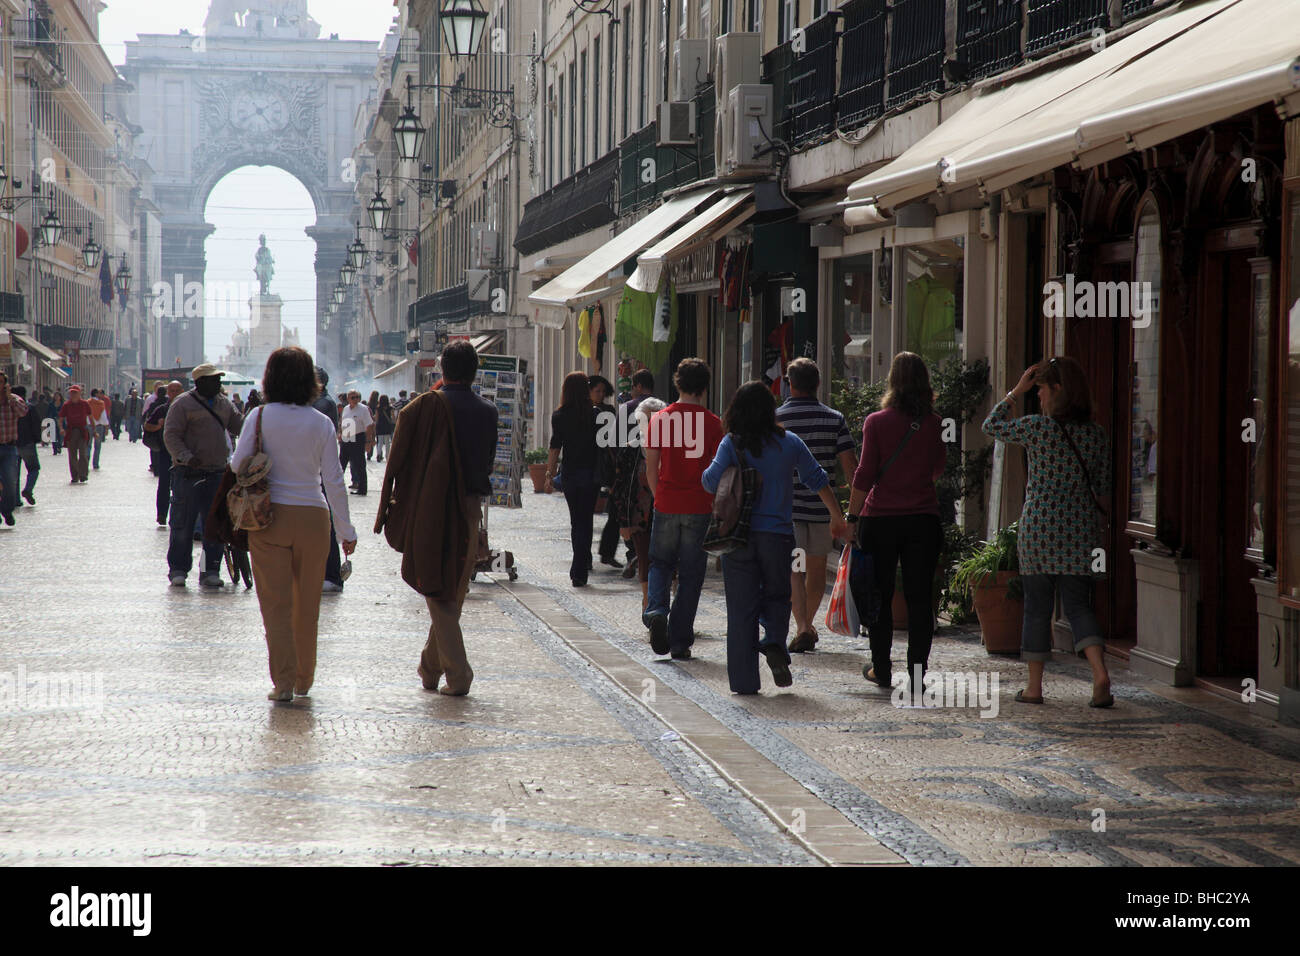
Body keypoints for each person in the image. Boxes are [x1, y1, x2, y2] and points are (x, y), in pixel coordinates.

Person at [982, 357, 1114, 708]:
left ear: (1057, 390)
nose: (1037, 395)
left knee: (1037, 609)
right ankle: (1099, 673)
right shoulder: (1096, 435)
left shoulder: (1038, 429)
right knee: (1078, 606)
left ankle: (1035, 688)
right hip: (1080, 528)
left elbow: (991, 426)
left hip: (1039, 527)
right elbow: (1103, 489)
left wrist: (1014, 392)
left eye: (1040, 388)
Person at [704, 382, 848, 692]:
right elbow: (817, 478)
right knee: (778, 597)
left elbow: (709, 482)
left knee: (741, 610)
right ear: (770, 411)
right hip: (780, 537)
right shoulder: (790, 442)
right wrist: (836, 515)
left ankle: (744, 682)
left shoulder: (731, 443)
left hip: (739, 537)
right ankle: (773, 643)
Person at [233, 347, 357, 702]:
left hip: (268, 516)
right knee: (307, 604)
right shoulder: (322, 422)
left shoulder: (258, 417)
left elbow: (237, 463)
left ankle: (283, 682)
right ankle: (304, 679)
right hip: (314, 519)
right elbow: (334, 481)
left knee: (275, 604)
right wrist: (346, 532)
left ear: (270, 379)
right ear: (310, 380)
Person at [848, 352, 947, 693]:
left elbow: (864, 473)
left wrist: (851, 516)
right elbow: (938, 469)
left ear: (892, 380)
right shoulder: (935, 423)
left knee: (880, 595)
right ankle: (918, 676)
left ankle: (881, 669)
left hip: (881, 521)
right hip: (923, 520)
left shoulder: (876, 422)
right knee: (920, 599)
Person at [406, 340, 496, 695]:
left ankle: (458, 675)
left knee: (435, 586)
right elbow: (487, 461)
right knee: (453, 586)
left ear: (442, 370)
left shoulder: (427, 406)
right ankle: (429, 669)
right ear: (474, 372)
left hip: (431, 504)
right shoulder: (488, 411)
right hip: (470, 507)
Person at [642, 358, 724, 658]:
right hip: (699, 506)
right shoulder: (714, 424)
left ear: (677, 383)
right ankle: (679, 641)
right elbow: (719, 473)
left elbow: (651, 468)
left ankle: (656, 611)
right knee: (691, 575)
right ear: (704, 388)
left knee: (660, 564)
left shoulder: (660, 419)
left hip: (666, 501)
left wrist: (658, 496)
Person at [776, 358, 860, 653]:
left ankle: (802, 626)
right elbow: (851, 468)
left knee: (794, 571)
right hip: (825, 512)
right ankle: (806, 625)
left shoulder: (777, 419)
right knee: (816, 571)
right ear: (818, 384)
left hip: (790, 510)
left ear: (789, 382)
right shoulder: (834, 418)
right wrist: (853, 509)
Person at [163, 363, 244, 587]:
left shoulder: (224, 404)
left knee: (214, 527)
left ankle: (210, 571)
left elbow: (239, 426)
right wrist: (187, 457)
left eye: (219, 379)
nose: (218, 383)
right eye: (213, 380)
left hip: (217, 473)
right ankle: (178, 569)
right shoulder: (183, 404)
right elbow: (171, 436)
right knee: (183, 524)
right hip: (187, 473)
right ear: (200, 383)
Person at [545, 372, 601, 587]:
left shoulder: (559, 415)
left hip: (569, 474)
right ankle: (580, 567)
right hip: (590, 474)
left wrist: (549, 475)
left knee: (576, 519)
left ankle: (580, 564)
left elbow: (554, 447)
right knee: (585, 520)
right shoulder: (595, 414)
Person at [611, 395, 665, 609]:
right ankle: (648, 602)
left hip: (668, 511)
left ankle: (665, 603)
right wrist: (623, 523)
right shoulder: (629, 449)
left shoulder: (671, 447)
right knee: (644, 557)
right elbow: (621, 489)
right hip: (639, 514)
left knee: (669, 560)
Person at [312, 367, 347, 593]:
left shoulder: (323, 404)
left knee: (326, 526)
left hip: (319, 473)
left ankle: (330, 574)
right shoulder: (321, 403)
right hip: (316, 473)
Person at [144, 381, 181, 526]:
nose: (175, 393)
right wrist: (159, 426)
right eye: (172, 390)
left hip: (183, 454)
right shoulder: (161, 409)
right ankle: (162, 514)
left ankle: (177, 516)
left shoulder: (187, 409)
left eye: (178, 390)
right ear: (168, 392)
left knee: (180, 486)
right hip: (166, 452)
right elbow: (147, 425)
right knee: (164, 483)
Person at [0, 372, 29, 526]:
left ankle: (6, 510)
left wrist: (10, 398)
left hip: (9, 448)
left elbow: (23, 412)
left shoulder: (14, 400)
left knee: (10, 483)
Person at [339, 390, 374, 495]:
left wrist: (368, 441)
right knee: (341, 464)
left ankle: (362, 489)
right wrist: (340, 433)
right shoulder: (345, 409)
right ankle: (337, 487)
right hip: (346, 438)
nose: (355, 399)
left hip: (358, 437)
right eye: (352, 397)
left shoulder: (363, 409)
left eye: (356, 397)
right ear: (348, 399)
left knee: (359, 465)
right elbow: (342, 422)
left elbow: (370, 425)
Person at [59, 385, 94, 483]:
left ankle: (83, 474)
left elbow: (90, 417)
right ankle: (75, 475)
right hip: (70, 432)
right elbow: (61, 419)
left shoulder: (85, 404)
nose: (73, 395)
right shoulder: (66, 405)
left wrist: (94, 430)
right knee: (72, 455)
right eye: (72, 393)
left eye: (75, 393)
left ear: (79, 394)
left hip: (82, 431)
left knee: (83, 454)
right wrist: (61, 429)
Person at [12, 386, 40, 508]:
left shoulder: (8, 407)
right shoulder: (29, 408)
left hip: (12, 444)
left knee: (14, 474)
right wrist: (37, 439)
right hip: (27, 443)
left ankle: (16, 499)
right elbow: (36, 424)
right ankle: (28, 489)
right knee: (34, 468)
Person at [87, 389, 109, 469]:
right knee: (97, 446)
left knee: (88, 445)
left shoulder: (87, 403)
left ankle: (86, 462)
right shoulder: (101, 403)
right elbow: (103, 416)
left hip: (89, 426)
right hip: (99, 426)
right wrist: (106, 427)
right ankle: (95, 464)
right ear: (96, 394)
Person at [375, 394, 395, 462]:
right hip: (387, 426)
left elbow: (376, 419)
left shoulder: (378, 408)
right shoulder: (390, 408)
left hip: (380, 426)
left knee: (380, 442)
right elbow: (393, 418)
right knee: (387, 443)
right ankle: (387, 456)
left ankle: (378, 454)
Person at [365, 390, 380, 460]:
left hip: (370, 422)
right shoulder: (378, 404)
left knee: (370, 437)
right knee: (375, 438)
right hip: (377, 422)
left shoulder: (369, 404)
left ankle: (369, 453)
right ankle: (373, 453)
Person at [50, 390, 63, 455]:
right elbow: (49, 413)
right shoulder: (51, 404)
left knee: (60, 436)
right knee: (53, 436)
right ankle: (54, 449)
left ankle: (59, 446)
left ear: (60, 397)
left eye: (58, 396)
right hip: (53, 421)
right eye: (55, 396)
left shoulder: (63, 404)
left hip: (61, 421)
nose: (57, 397)